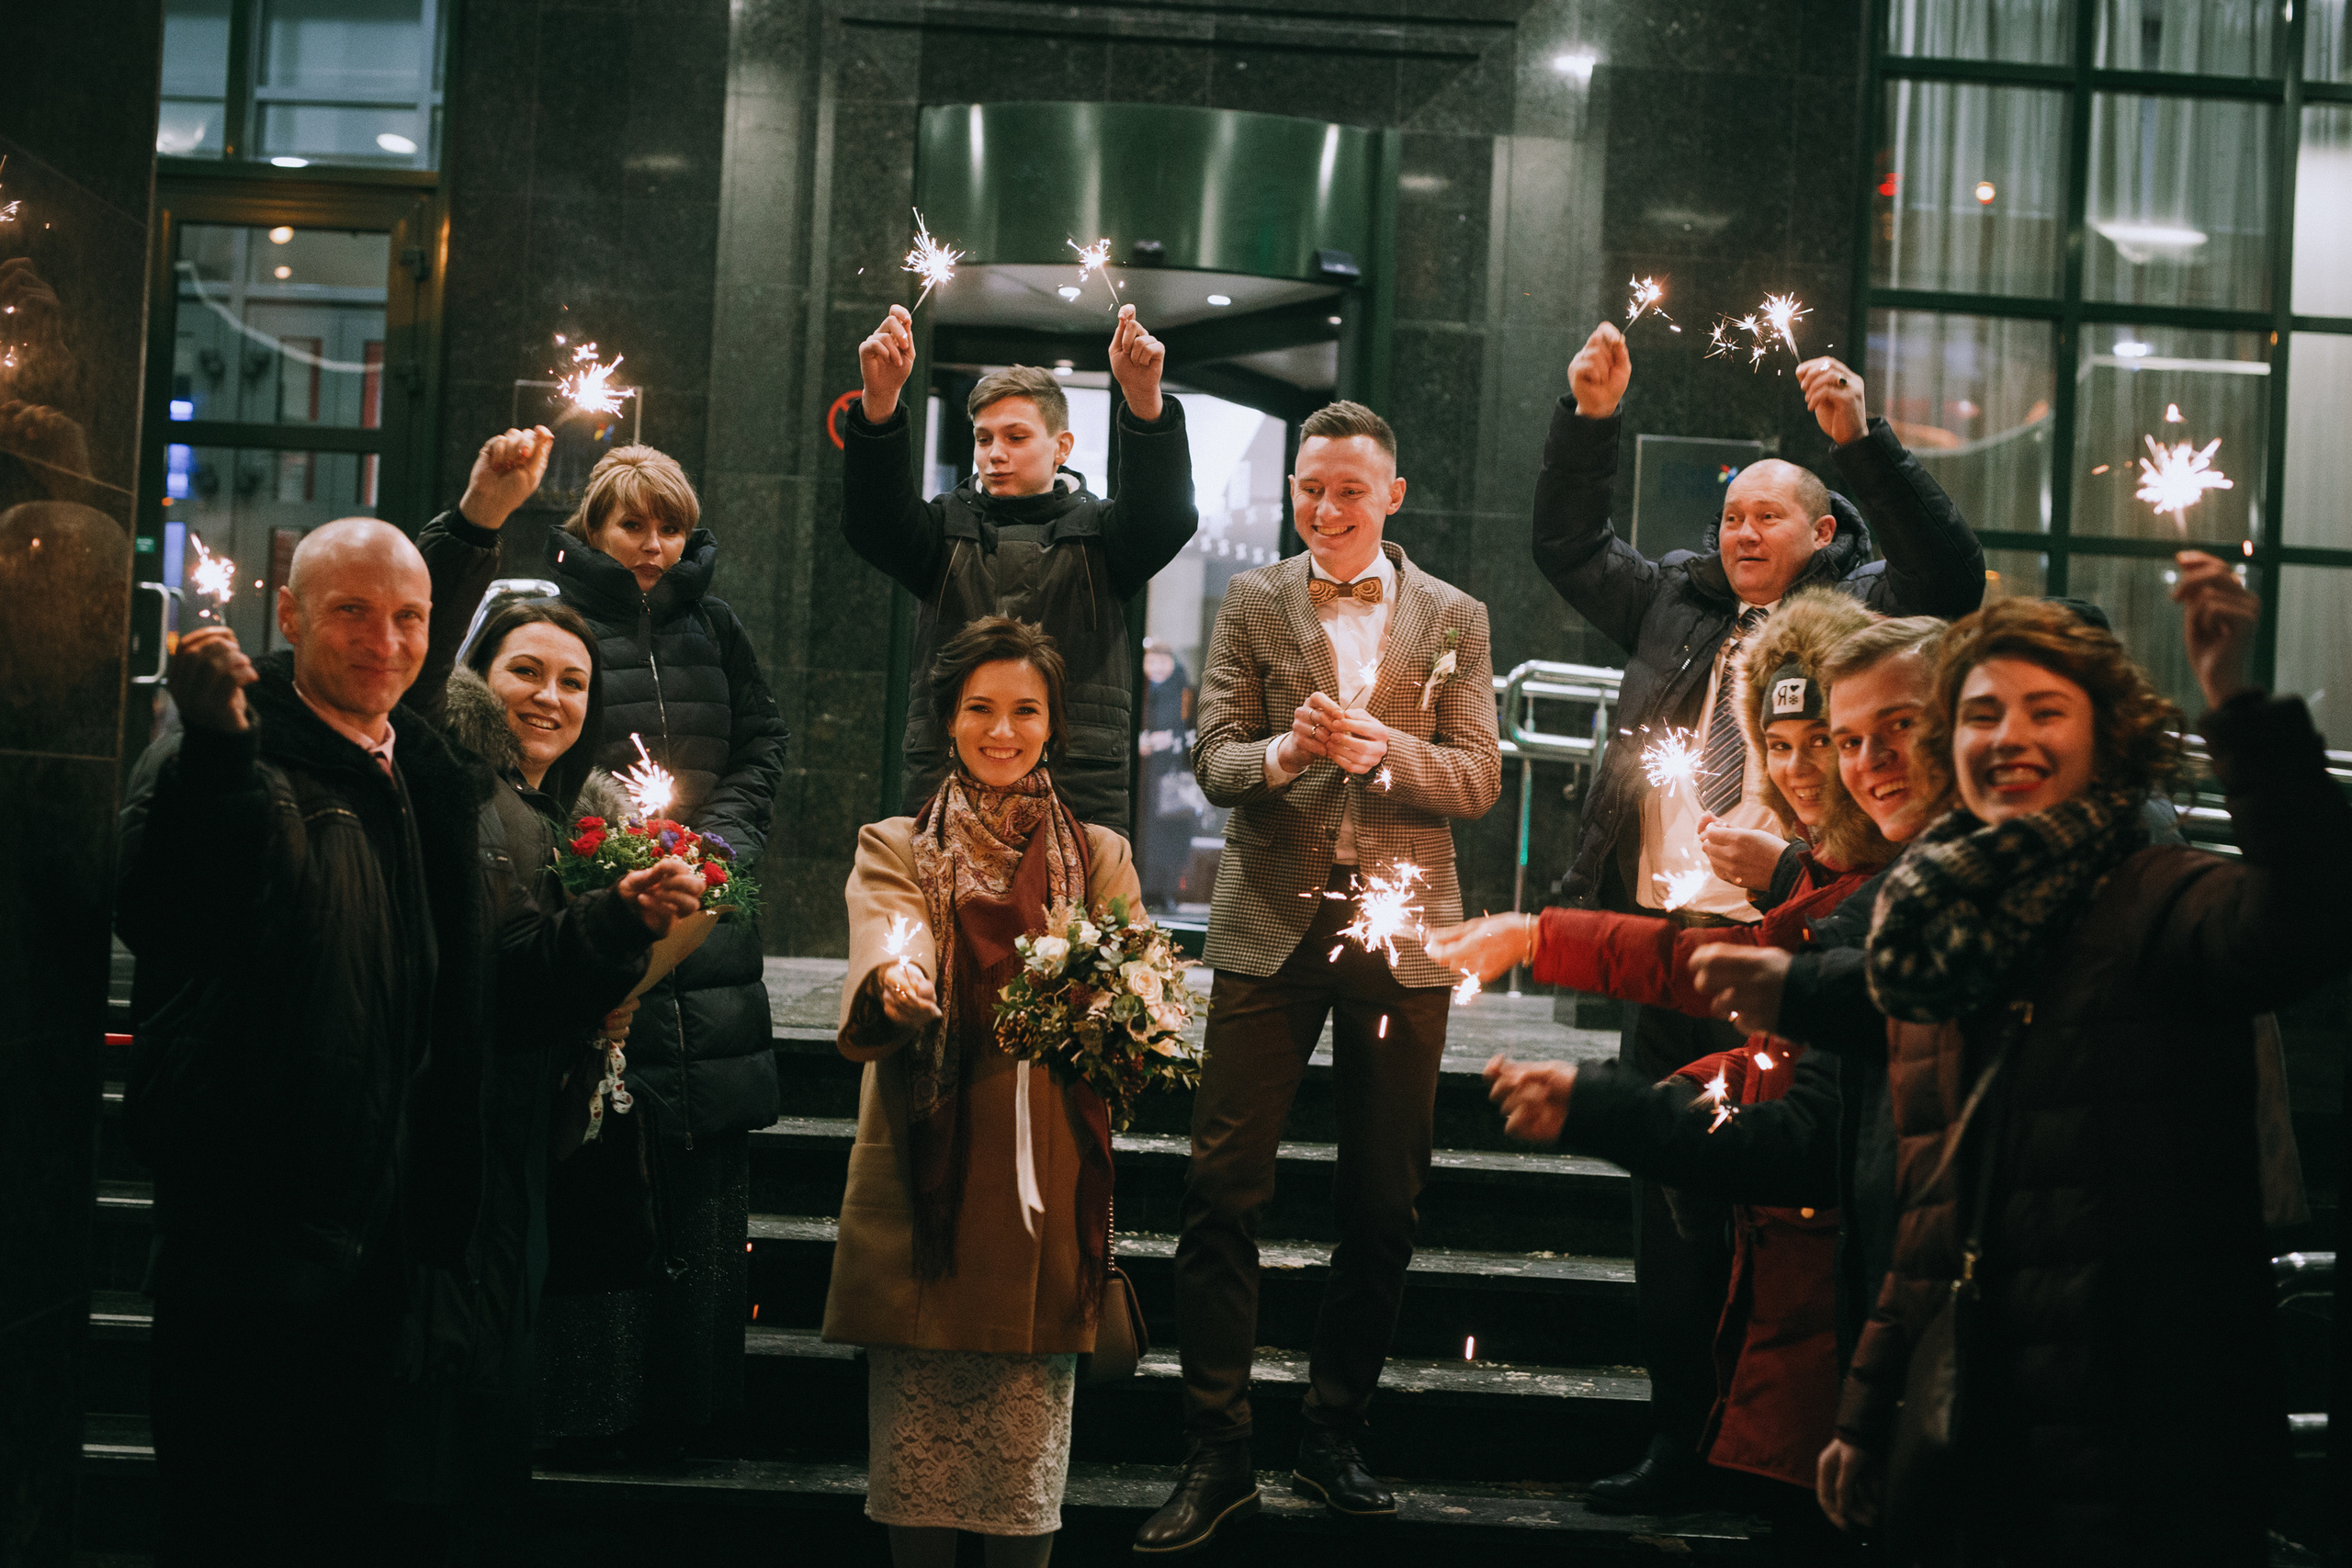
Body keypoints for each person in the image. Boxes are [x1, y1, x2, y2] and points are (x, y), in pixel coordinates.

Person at [114, 518, 695, 1565]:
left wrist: (615, 926)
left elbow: (487, 991)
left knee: (346, 1521)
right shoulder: (223, 755)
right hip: (252, 1230)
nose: (384, 638)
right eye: (352, 611)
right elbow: (175, 915)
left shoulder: (428, 780)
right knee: (232, 1520)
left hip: (388, 1243)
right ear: (288, 616)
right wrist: (216, 758)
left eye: (409, 616)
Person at [1532, 320, 1984, 1510]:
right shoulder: (1678, 601)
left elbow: (1953, 580)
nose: (1740, 534)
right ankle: (1679, 1437)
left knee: (1780, 1213)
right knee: (1666, 1221)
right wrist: (1590, 417)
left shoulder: (1866, 614)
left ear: (1826, 534)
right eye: (1731, 515)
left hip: (1807, 944)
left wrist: (1866, 440)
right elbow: (1567, 540)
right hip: (1672, 947)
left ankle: (1777, 1447)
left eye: (1767, 517)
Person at [1815, 561, 2352, 1563]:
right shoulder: (1936, 923)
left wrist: (2235, 701)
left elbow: (2306, 919)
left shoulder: (2155, 890)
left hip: (2148, 1438)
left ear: (2105, 736)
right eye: (1980, 715)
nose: (2008, 738)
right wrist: (1862, 1415)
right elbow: (1929, 1218)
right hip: (1983, 1432)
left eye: (2044, 711)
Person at [1430, 590, 1889, 1557]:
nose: (1816, 768)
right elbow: (1725, 971)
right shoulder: (1826, 866)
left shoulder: (1883, 885)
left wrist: (1612, 1106)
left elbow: (1802, 1117)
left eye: (1839, 740)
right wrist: (1537, 934)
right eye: (1793, 744)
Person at [1135, 401, 1502, 1556]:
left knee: (1382, 1200)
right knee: (1220, 1188)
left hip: (1403, 937)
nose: (1326, 508)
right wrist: (1287, 753)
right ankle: (1218, 1449)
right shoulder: (1252, 598)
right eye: (1310, 488)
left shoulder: (1454, 615)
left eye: (1350, 489)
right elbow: (1213, 758)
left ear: (1391, 496)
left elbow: (1479, 778)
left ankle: (1334, 1430)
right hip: (1267, 925)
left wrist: (1385, 753)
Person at [823, 615, 1141, 1568]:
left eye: (1025, 711)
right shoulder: (895, 845)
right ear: (947, 720)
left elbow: (1131, 1007)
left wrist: (1124, 1009)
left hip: (1044, 1191)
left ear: (1054, 726)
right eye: (980, 710)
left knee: (1021, 1498)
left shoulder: (1102, 857)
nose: (1002, 732)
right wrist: (897, 983)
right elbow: (890, 933)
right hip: (932, 1189)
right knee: (917, 1493)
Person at [534, 438, 789, 1451]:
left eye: (668, 524)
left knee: (702, 1183)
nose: (651, 544)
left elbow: (761, 741)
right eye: (631, 523)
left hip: (711, 931)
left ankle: (692, 1404)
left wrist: (714, 851)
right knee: (606, 1162)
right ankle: (596, 1407)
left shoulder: (714, 625)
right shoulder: (557, 624)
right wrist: (616, 854)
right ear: (593, 527)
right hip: (602, 911)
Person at [844, 302, 1199, 829]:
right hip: (947, 779)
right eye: (983, 439)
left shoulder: (1103, 534)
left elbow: (1165, 518)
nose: (994, 454)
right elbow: (873, 525)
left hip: (1077, 787)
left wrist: (1144, 400)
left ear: (1061, 448)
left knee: (1078, 917)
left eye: (1015, 437)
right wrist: (880, 400)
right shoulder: (942, 528)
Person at [1135, 638, 1199, 907]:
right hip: (1143, 779)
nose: (1157, 667)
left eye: (1163, 661)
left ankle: (1166, 891)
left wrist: (1169, 740)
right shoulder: (1139, 689)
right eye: (1152, 661)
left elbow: (1195, 733)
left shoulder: (1186, 692)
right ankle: (1142, 889)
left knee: (1171, 838)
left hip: (1171, 779)